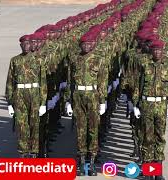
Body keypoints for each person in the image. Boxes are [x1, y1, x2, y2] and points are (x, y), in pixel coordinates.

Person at [66, 32, 107, 176]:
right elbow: (70, 82)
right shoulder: (75, 59)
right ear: (80, 45)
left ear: (93, 45)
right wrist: (68, 101)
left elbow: (102, 82)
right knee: (81, 129)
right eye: (84, 44)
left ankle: (92, 161)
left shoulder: (99, 60)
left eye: (89, 44)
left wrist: (103, 101)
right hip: (78, 96)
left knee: (93, 129)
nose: (86, 46)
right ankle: (82, 160)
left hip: (93, 96)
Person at [133, 39, 168, 180]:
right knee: (147, 138)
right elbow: (137, 86)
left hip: (161, 105)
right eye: (155, 50)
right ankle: (147, 171)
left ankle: (158, 171)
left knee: (159, 138)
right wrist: (135, 105)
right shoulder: (145, 65)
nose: (157, 53)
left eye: (159, 50)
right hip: (146, 105)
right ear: (151, 51)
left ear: (163, 51)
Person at [5, 34, 47, 158]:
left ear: (32, 45)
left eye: (29, 44)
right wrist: (9, 102)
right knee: (21, 125)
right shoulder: (15, 60)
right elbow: (10, 81)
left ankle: (34, 152)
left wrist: (43, 102)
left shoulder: (38, 59)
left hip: (34, 94)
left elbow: (43, 82)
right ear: (20, 45)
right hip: (19, 95)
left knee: (34, 124)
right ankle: (23, 153)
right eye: (24, 44)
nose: (26, 46)